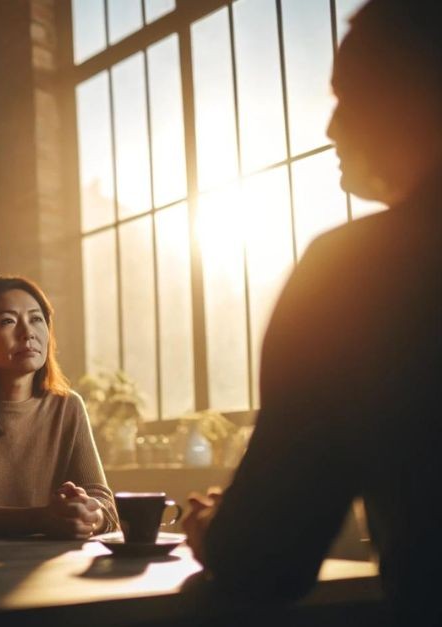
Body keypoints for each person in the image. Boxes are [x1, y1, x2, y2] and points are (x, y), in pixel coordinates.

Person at [182, 1, 442, 622]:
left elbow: (265, 558)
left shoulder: (357, 273)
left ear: (416, 93)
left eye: (350, 96)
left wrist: (213, 527)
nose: (331, 127)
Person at [0, 276, 117, 538]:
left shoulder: (67, 406)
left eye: (37, 319)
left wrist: (90, 514)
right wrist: (43, 519)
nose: (28, 333)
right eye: (8, 321)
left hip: (55, 565)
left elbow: (104, 502)